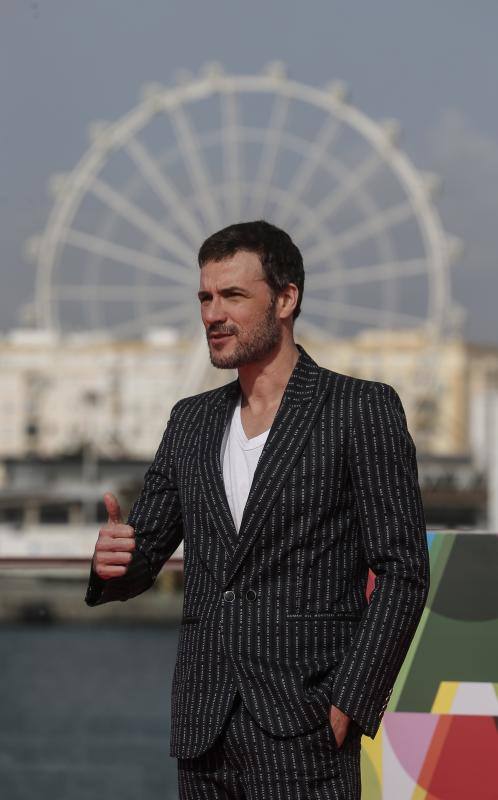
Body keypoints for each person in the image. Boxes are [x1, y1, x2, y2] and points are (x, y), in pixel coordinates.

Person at [85, 219, 430, 799]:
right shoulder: (189, 421)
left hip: (307, 727)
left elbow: (402, 571)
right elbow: (140, 559)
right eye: (205, 297)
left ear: (287, 298)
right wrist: (112, 560)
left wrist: (350, 702)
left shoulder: (360, 409)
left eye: (233, 295)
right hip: (203, 728)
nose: (212, 314)